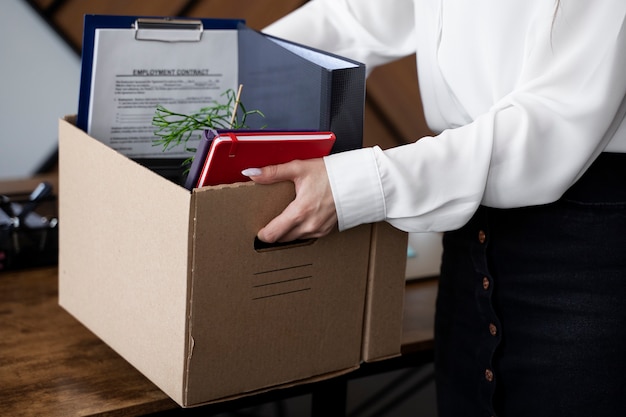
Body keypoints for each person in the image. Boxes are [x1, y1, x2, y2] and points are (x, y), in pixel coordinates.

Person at [244, 1, 626, 416]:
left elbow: (551, 125)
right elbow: (354, 18)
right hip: (468, 230)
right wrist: (232, 66)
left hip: (586, 247)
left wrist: (359, 185)